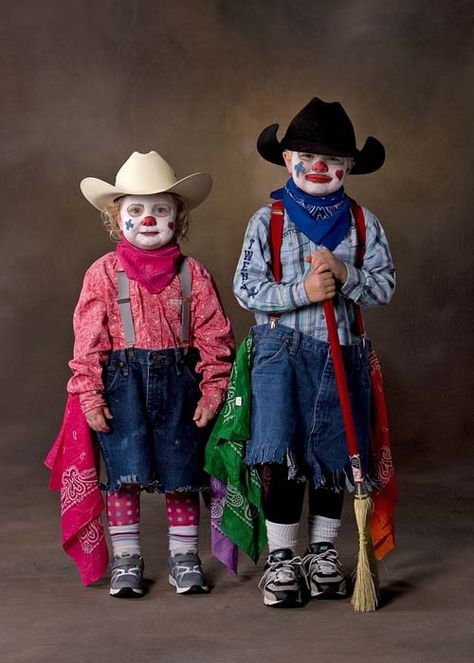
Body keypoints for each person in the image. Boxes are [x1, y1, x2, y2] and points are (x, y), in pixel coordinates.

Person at [233, 98, 396, 608]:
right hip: (281, 355)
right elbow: (246, 288)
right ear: (287, 160)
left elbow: (385, 288)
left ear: (349, 167)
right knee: (282, 453)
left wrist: (347, 277)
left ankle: (323, 551)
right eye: (307, 154)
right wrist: (303, 290)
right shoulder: (268, 220)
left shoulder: (363, 223)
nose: (319, 165)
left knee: (333, 457)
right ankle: (283, 559)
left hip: (342, 353)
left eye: (333, 157)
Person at [68, 150, 234, 598]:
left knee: (183, 473)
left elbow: (215, 337)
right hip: (122, 383)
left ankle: (184, 559)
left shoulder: (193, 274)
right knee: (124, 474)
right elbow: (87, 342)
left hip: (180, 382)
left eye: (160, 209)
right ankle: (127, 559)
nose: (147, 219)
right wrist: (90, 396)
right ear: (115, 218)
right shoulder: (102, 273)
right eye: (135, 210)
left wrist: (212, 391)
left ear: (178, 218)